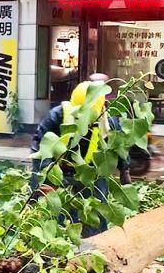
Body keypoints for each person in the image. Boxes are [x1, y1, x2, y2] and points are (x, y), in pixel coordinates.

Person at [29, 79, 130, 235]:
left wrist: (125, 170)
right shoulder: (57, 115)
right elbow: (41, 149)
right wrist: (47, 179)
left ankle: (97, 240)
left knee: (97, 209)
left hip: (91, 172)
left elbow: (120, 147)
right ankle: (57, 238)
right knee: (55, 210)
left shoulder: (108, 123)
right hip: (59, 169)